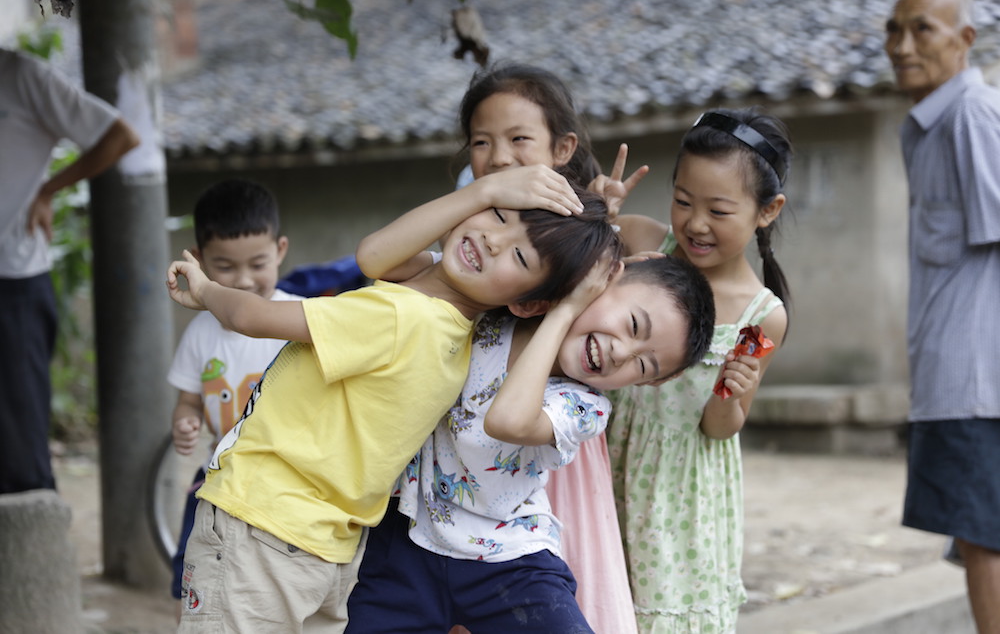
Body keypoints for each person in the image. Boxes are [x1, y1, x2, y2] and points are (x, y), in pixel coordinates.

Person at [165, 170, 617, 633]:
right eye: (498, 214)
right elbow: (375, 256)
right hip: (326, 545)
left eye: (519, 254)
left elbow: (250, 314)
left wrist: (203, 290)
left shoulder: (401, 315)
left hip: (261, 523)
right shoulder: (460, 333)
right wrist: (485, 193)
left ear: (526, 305)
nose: (492, 239)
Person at [346, 187, 715, 632]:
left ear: (650, 382)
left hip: (508, 561)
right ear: (611, 277)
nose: (622, 352)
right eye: (634, 325)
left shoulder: (585, 406)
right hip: (405, 539)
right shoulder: (502, 306)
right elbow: (378, 259)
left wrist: (567, 311)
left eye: (643, 364)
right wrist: (483, 193)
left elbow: (507, 420)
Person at [438, 62, 648, 633]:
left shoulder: (575, 228)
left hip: (539, 435)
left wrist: (607, 218)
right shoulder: (477, 216)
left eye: (518, 139)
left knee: (542, 572)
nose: (500, 156)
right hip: (460, 441)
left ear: (563, 149)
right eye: (481, 142)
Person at [605, 107, 791, 632]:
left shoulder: (762, 317)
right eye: (683, 201)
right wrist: (598, 214)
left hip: (678, 494)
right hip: (605, 455)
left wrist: (731, 393)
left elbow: (719, 427)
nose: (695, 223)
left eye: (719, 210)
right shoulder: (645, 244)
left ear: (767, 210)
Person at [884, 0, 1000, 632]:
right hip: (955, 380)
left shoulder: (971, 118)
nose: (901, 45)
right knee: (978, 534)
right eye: (893, 31)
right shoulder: (927, 126)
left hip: (978, 382)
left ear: (964, 40)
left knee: (984, 536)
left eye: (921, 28)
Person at [0, 47, 138, 494]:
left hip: (13, 281)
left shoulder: (19, 74)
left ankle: (36, 562)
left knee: (20, 456)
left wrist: (47, 190)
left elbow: (119, 135)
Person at [164, 179, 301, 614]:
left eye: (257, 264)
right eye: (224, 267)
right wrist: (185, 421)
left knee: (271, 586)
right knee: (196, 577)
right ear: (200, 261)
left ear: (279, 250)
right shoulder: (200, 332)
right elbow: (189, 400)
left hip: (285, 485)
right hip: (217, 480)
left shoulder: (297, 318)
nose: (243, 281)